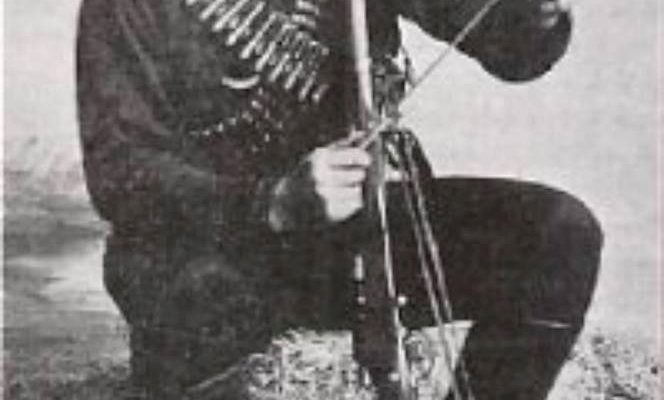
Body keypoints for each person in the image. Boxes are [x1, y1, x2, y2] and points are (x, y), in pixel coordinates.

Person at [76, 0, 603, 398]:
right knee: (203, 306)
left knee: (556, 234)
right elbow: (120, 175)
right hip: (204, 253)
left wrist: (534, 15)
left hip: (344, 239)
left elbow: (504, 42)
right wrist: (271, 202)